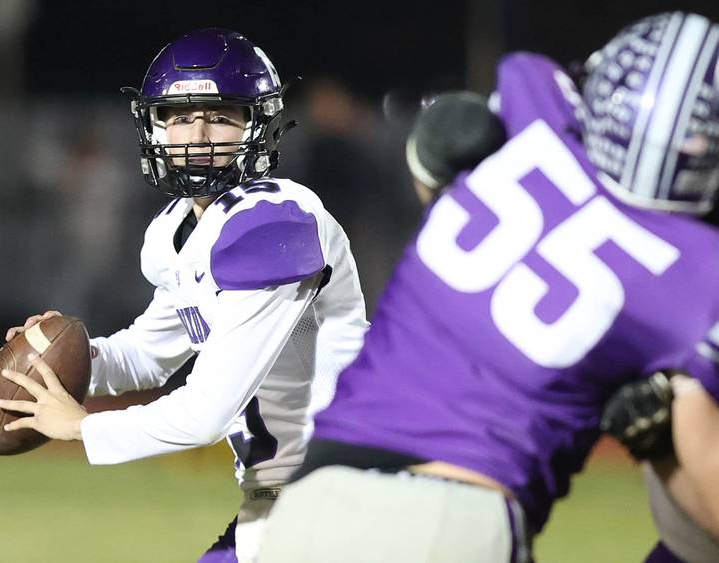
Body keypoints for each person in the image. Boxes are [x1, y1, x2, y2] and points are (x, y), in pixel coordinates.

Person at [256, 11, 719, 563]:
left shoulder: (529, 104)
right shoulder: (695, 272)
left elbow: (440, 171)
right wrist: (659, 444)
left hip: (311, 500)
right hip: (454, 518)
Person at [0, 28, 369, 563]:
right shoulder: (178, 232)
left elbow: (206, 413)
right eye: (178, 117)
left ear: (256, 126)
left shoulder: (274, 221)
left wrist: (81, 427)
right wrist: (63, 362)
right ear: (154, 128)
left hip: (348, 496)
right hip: (290, 500)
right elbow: (149, 354)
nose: (196, 134)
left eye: (219, 116)